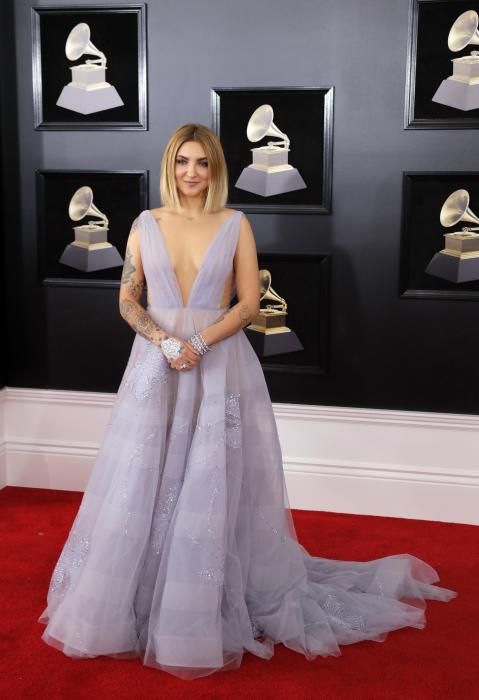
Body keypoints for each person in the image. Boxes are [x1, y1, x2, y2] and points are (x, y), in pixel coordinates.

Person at [38, 123, 457, 681]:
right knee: (146, 474)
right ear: (170, 166)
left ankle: (202, 598)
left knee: (212, 474)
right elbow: (127, 298)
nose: (191, 173)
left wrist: (195, 342)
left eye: (202, 163)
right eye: (183, 162)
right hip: (155, 364)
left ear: (216, 169)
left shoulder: (236, 224)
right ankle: (138, 597)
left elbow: (249, 303)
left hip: (216, 362)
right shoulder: (144, 225)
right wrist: (163, 341)